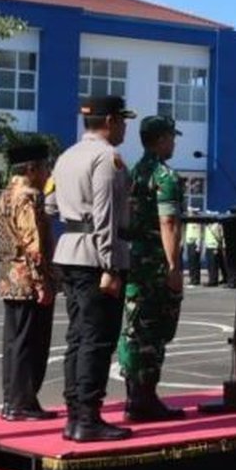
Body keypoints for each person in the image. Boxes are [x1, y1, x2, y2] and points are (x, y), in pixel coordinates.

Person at [49, 95, 135, 442]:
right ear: (111, 121)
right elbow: (106, 215)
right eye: (123, 120)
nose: (125, 127)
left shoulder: (66, 156)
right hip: (95, 257)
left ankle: (75, 414)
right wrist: (111, 266)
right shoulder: (106, 158)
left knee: (77, 336)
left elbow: (51, 204)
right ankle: (88, 416)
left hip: (70, 250)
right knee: (97, 339)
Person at [118, 115, 187, 422]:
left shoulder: (133, 173)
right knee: (155, 331)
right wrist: (174, 267)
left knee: (134, 328)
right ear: (161, 139)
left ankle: (135, 396)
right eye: (172, 137)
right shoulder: (164, 175)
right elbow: (168, 221)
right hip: (155, 263)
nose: (174, 142)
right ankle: (145, 399)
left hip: (132, 259)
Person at [0, 143, 58, 421]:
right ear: (31, 168)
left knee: (14, 342)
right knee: (31, 343)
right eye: (45, 167)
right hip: (28, 280)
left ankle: (12, 400)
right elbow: (33, 243)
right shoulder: (28, 197)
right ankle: (23, 402)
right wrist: (42, 281)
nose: (48, 172)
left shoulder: (5, 196)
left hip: (9, 278)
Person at [183, 214, 203, 288]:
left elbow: (199, 234)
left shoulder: (196, 223)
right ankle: (194, 279)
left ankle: (194, 280)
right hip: (189, 243)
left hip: (194, 244)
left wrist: (198, 245)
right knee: (192, 262)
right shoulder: (189, 222)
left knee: (194, 263)